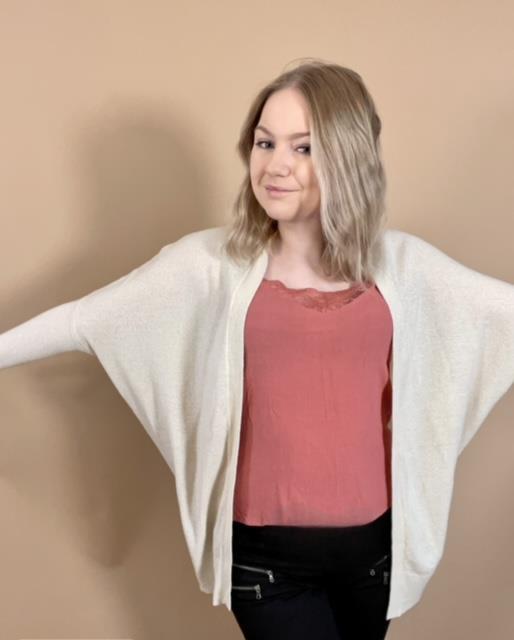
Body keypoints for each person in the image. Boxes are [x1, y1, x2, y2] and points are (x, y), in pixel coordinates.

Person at [1, 59, 513, 640]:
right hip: (268, 566)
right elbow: (83, 321)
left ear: (349, 156)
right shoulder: (212, 266)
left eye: (303, 147)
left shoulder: (402, 267)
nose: (275, 165)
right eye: (265, 143)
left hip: (375, 560)